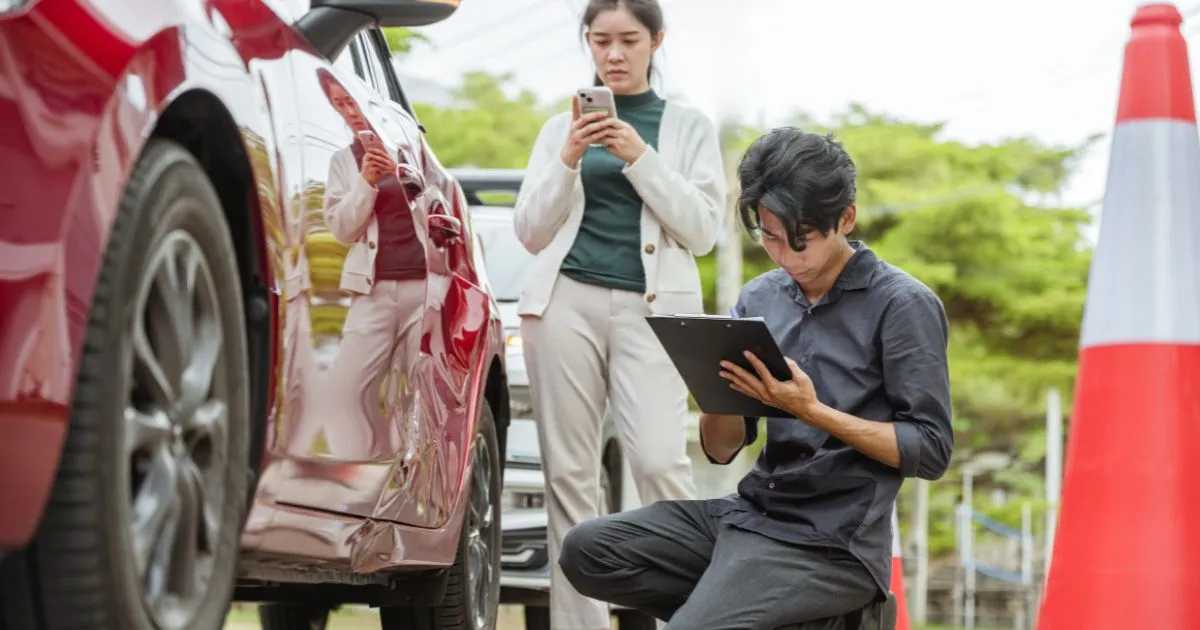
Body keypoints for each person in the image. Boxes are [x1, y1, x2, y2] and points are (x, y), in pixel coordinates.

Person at [556, 128, 955, 629]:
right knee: (589, 550)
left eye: (800, 241)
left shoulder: (901, 304)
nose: (785, 257)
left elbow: (931, 449)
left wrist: (810, 411)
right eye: (768, 236)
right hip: (752, 514)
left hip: (834, 543)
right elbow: (720, 449)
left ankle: (811, 610)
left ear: (846, 218)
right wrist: (713, 384)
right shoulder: (760, 298)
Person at [511, 0, 725, 627]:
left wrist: (639, 155)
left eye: (629, 40)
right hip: (564, 303)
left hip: (654, 313)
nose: (614, 54)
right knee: (569, 476)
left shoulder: (687, 127)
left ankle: (690, 618)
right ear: (587, 43)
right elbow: (529, 230)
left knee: (661, 463)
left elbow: (703, 229)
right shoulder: (559, 128)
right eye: (600, 40)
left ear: (657, 41)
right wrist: (568, 159)